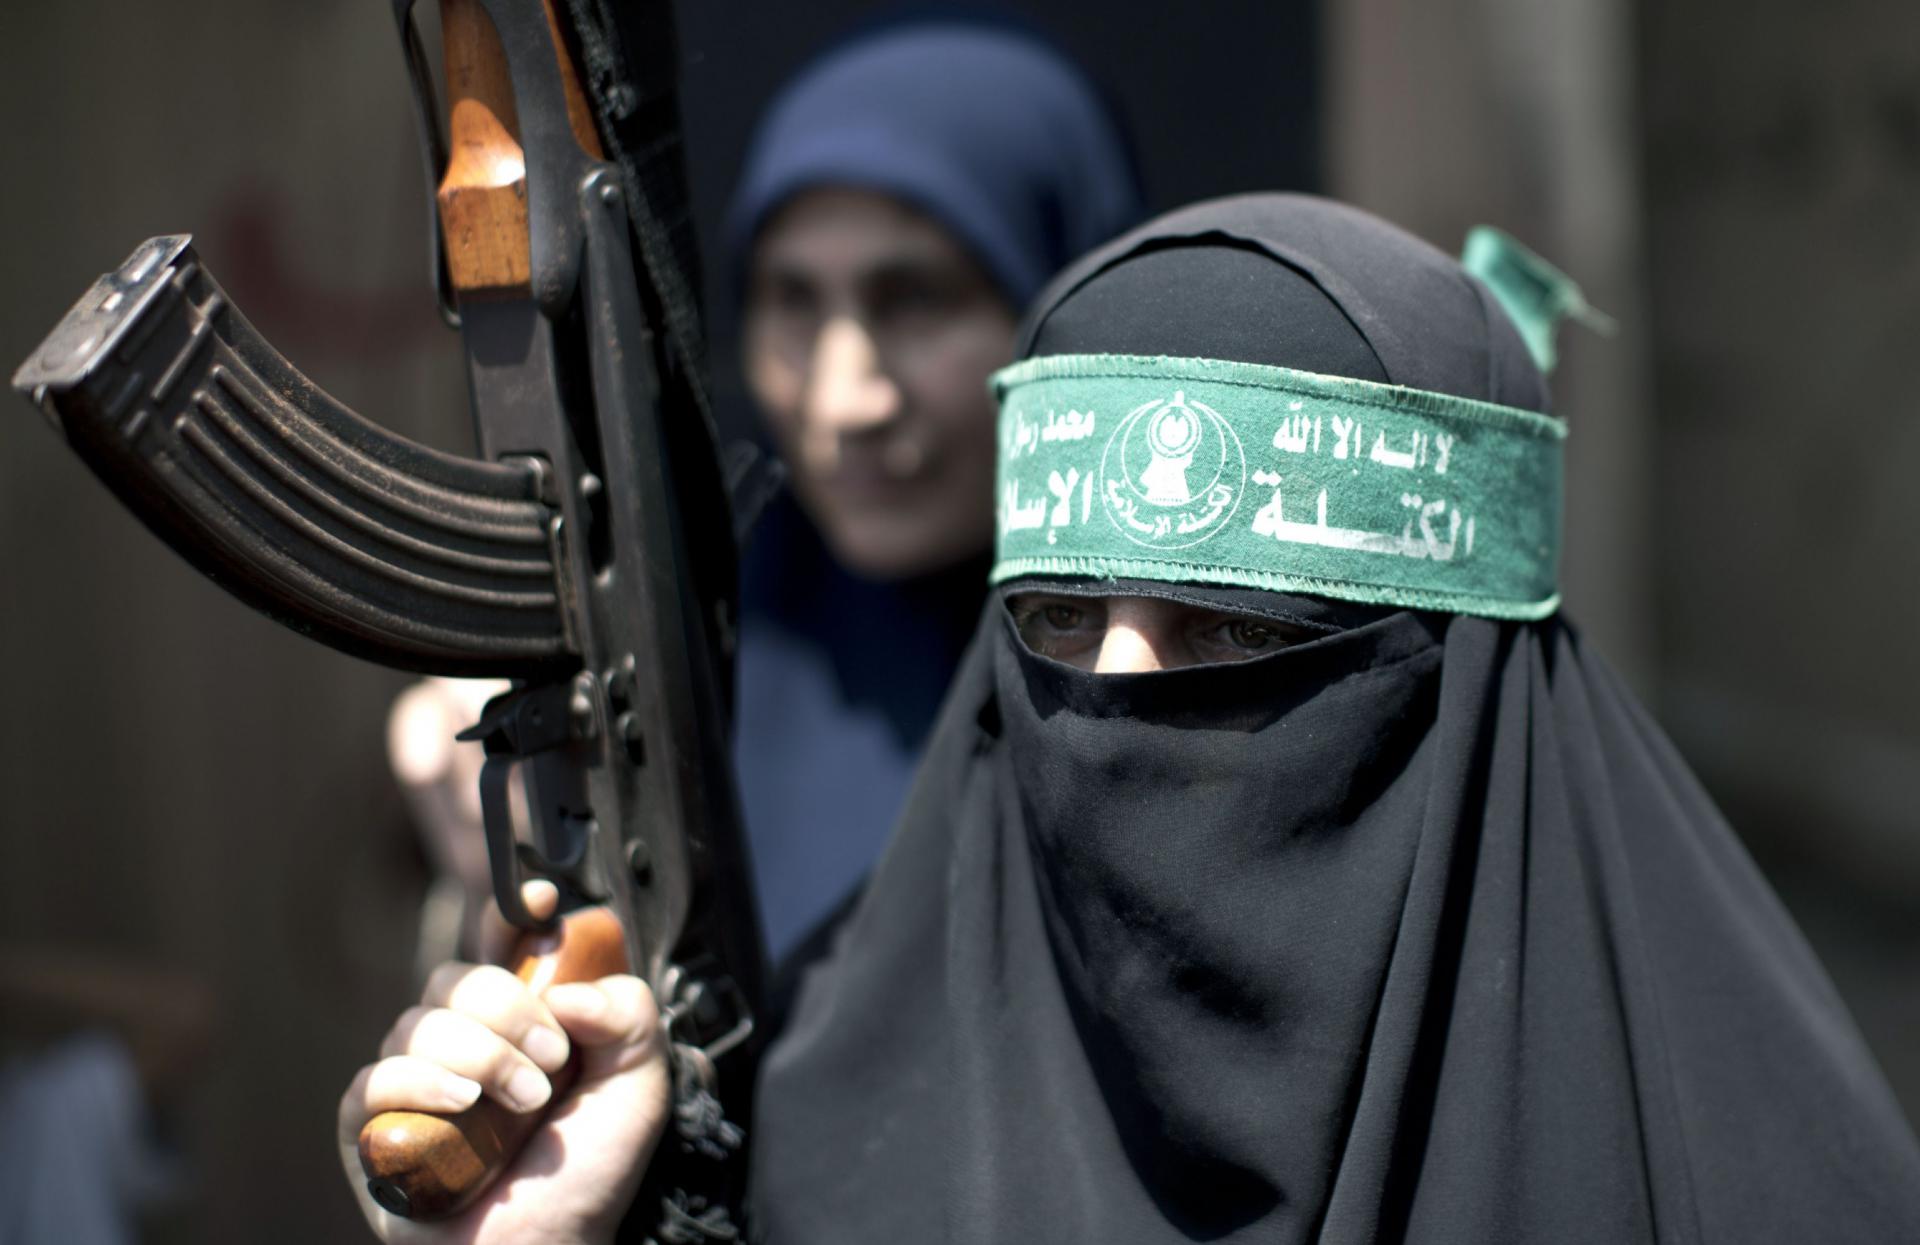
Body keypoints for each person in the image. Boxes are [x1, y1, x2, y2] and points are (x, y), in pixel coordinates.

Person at [342, 193, 1920, 1242]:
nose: (1119, 695)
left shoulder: (1756, 1189)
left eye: (1236, 630)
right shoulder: (818, 1135)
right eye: (1055, 622)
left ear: (1464, 669)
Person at [385, 18, 1143, 974]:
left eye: (914, 298)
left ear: (1069, 308)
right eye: (792, 300)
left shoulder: (1188, 673)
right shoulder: (699, 621)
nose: (843, 399)